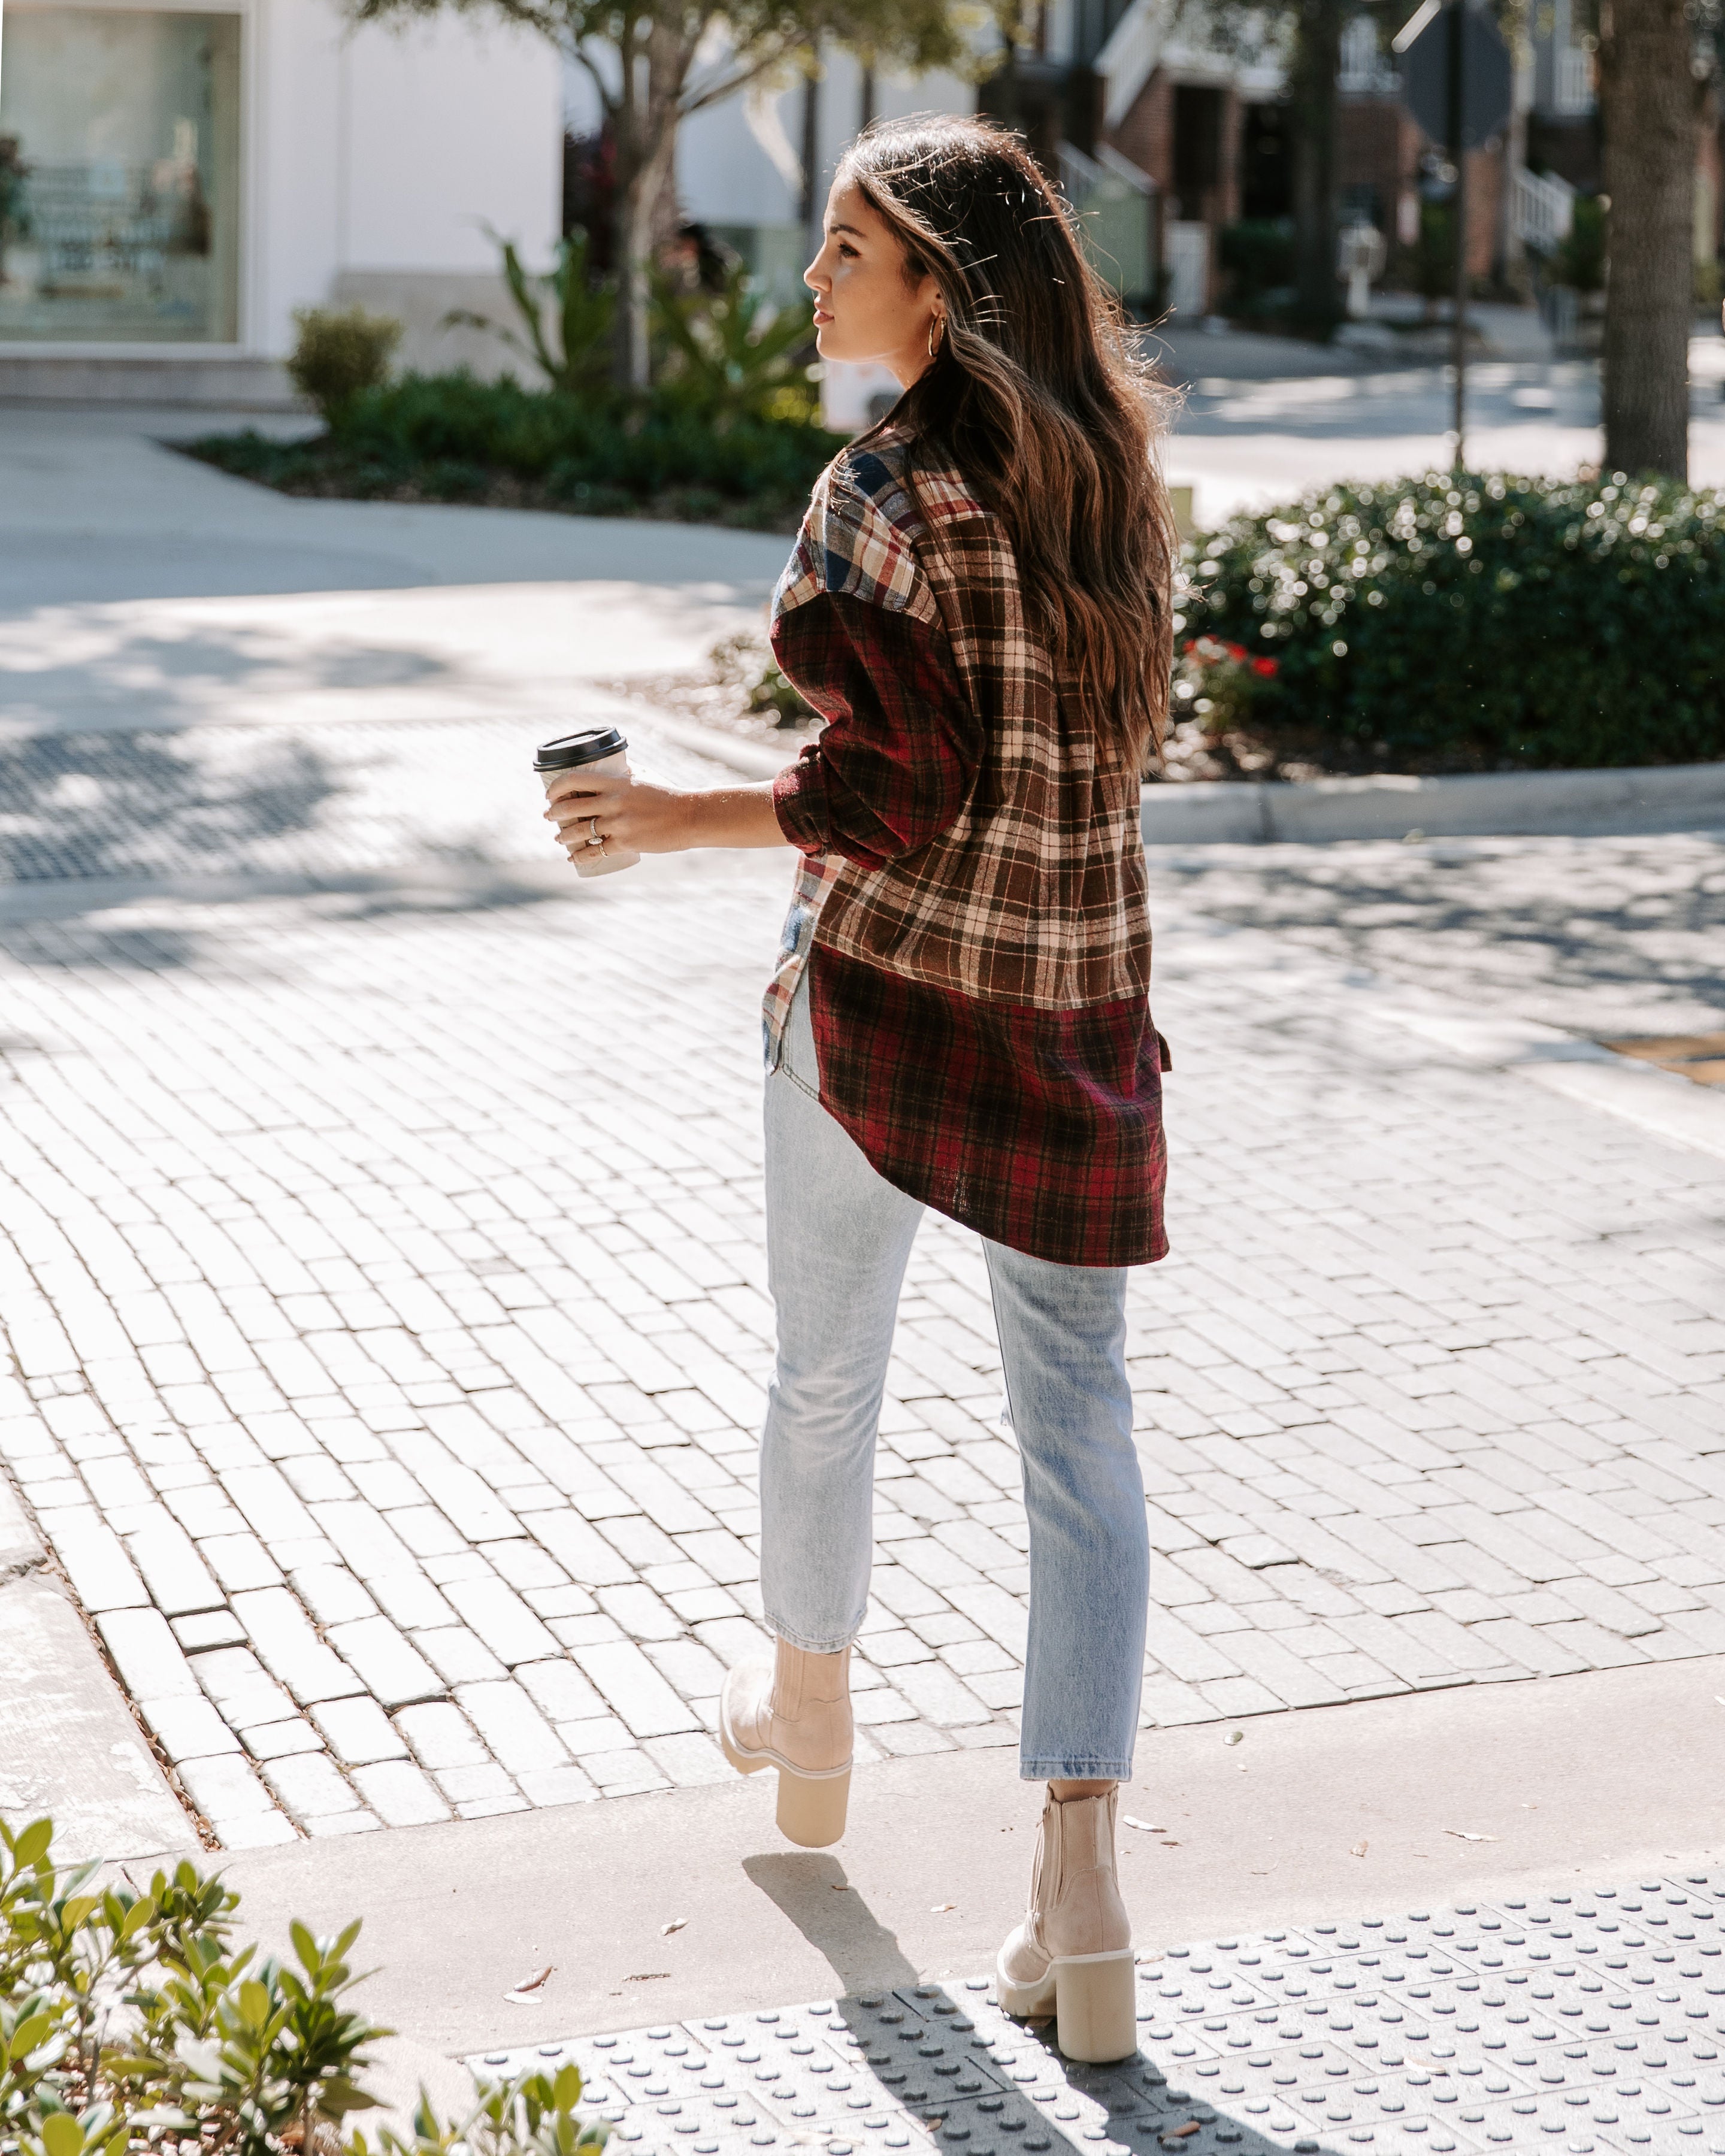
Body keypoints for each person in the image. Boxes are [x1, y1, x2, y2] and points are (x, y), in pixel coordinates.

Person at [544, 114, 1175, 2066]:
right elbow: (1105, 749)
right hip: (1069, 1013)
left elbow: (887, 796)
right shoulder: (1112, 484)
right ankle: (1081, 1886)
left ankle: (806, 1719)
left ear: (939, 289)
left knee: (828, 1372)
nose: (812, 281)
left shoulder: (880, 490)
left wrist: (657, 816)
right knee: (1078, 1428)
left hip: (885, 1013)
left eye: (847, 251)